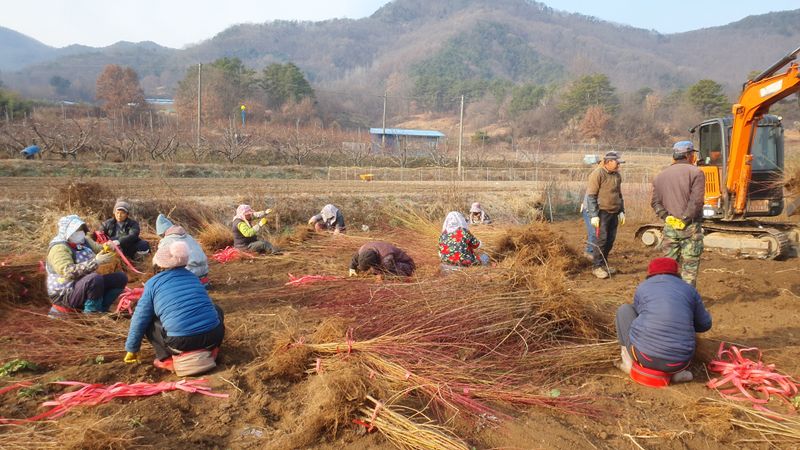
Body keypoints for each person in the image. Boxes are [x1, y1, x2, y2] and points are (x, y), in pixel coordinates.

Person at [123, 241, 225, 376]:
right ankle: (212, 350)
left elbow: (139, 319)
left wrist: (132, 348)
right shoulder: (193, 277)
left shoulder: (153, 284)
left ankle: (166, 359)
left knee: (148, 320)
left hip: (181, 342)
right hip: (214, 336)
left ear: (159, 264)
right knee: (216, 309)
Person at [615, 257, 712, 386]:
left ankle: (627, 362)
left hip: (644, 357)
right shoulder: (689, 290)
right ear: (676, 273)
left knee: (624, 310)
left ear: (650, 273)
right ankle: (678, 373)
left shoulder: (643, 287)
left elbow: (638, 313)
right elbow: (705, 324)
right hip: (679, 362)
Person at [45, 215, 128, 317]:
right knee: (94, 279)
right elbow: (68, 272)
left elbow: (99, 248)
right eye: (76, 230)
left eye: (81, 229)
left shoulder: (84, 240)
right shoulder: (59, 248)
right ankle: (91, 315)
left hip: (83, 285)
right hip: (64, 292)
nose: (80, 233)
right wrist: (96, 262)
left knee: (120, 278)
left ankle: (102, 308)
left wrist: (109, 246)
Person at [651, 141, 705, 287]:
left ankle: (668, 294)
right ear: (689, 155)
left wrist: (666, 217)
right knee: (689, 268)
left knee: (668, 265)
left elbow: (655, 202)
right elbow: (696, 201)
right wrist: (685, 219)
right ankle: (686, 297)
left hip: (669, 228)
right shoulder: (696, 173)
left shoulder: (660, 176)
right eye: (693, 154)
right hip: (690, 227)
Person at [585, 151, 626, 279]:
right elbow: (591, 196)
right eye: (617, 163)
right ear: (609, 162)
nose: (619, 165)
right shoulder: (598, 174)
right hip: (601, 212)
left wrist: (621, 211)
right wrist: (594, 215)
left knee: (610, 240)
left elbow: (619, 194)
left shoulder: (617, 175)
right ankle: (596, 267)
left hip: (614, 212)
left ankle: (604, 264)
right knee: (601, 240)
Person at [156, 214, 209, 284]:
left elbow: (161, 260)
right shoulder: (189, 236)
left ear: (163, 231)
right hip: (204, 271)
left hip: (189, 274)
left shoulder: (167, 241)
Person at [349, 241, 416, 277]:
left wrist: (383, 276)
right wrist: (352, 268)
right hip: (386, 260)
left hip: (406, 264)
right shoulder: (363, 249)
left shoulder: (386, 259)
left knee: (381, 270)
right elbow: (356, 257)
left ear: (375, 262)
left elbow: (394, 273)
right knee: (376, 270)